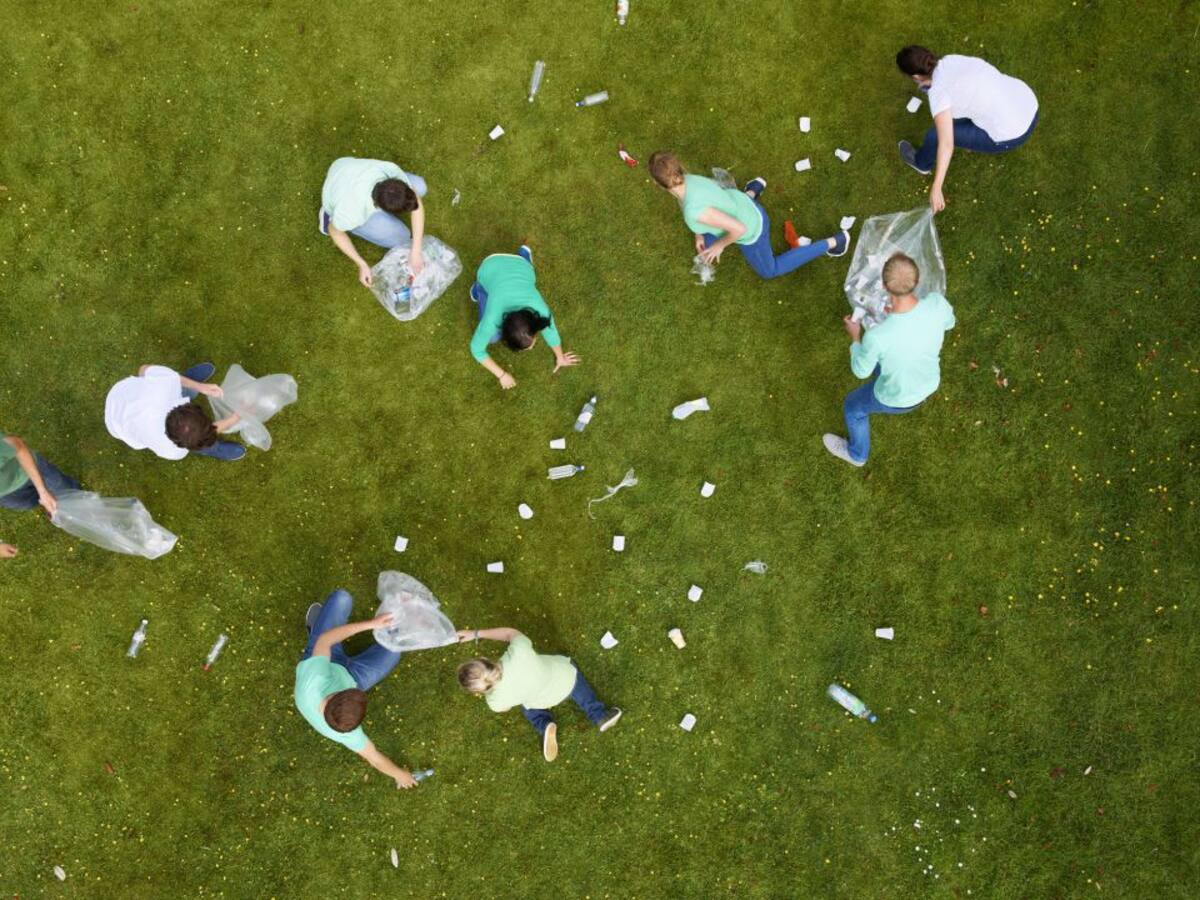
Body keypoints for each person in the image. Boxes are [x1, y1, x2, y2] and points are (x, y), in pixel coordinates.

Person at [823, 253, 955, 466]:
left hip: (896, 397)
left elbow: (860, 371)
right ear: (917, 280)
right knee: (884, 362)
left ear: (884, 286)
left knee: (853, 407)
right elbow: (949, 323)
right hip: (929, 381)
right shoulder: (937, 303)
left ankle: (857, 455)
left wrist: (855, 338)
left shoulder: (876, 337)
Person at [648, 151, 849, 279]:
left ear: (658, 185)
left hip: (754, 229)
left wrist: (719, 246)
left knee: (770, 271)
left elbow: (739, 229)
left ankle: (835, 242)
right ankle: (754, 190)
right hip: (743, 203)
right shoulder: (687, 179)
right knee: (706, 243)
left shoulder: (692, 210)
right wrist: (699, 235)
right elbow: (707, 202)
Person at [294, 588, 419, 789]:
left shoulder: (315, 680)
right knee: (394, 652)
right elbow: (374, 757)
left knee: (341, 599)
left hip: (326, 659)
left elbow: (326, 639)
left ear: (334, 695)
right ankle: (319, 626)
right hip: (351, 676)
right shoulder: (346, 731)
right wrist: (399, 775)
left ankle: (316, 629)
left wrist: (371, 624)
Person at [895, 46, 1039, 212]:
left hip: (1012, 134)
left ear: (915, 76)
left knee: (935, 135)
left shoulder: (938, 94)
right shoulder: (952, 59)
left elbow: (946, 143)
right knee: (964, 111)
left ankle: (921, 164)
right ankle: (972, 137)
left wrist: (937, 186)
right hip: (1027, 103)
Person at [455, 627, 621, 762]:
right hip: (564, 678)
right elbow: (510, 633)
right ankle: (599, 715)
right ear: (484, 658)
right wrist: (476, 633)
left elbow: (505, 708)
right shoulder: (518, 652)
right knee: (575, 681)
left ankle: (545, 725)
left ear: (479, 690)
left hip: (541, 700)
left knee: (528, 707)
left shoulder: (494, 700)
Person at [468, 245, 580, 390]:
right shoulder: (492, 319)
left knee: (511, 280)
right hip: (494, 267)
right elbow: (476, 349)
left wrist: (560, 357)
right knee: (492, 338)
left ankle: (523, 256)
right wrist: (502, 375)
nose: (531, 348)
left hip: (507, 266)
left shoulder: (541, 311)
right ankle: (479, 289)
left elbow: (551, 332)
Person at [319, 157, 428, 288]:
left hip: (343, 167)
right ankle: (328, 213)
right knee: (402, 237)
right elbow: (334, 231)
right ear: (381, 208)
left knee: (420, 186)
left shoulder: (389, 170)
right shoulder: (352, 213)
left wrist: (416, 250)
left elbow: (415, 201)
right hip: (337, 195)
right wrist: (362, 264)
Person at [104, 363, 244, 461]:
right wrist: (234, 418)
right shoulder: (170, 449)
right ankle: (213, 448)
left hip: (121, 396)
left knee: (174, 381)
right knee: (201, 443)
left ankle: (187, 384)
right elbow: (200, 437)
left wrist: (200, 387)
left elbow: (143, 370)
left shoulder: (164, 384)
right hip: (119, 423)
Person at [1, 430, 82, 555]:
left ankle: (70, 502)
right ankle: (49, 505)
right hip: (5, 493)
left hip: (24, 469)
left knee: (65, 490)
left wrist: (43, 491)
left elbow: (18, 446)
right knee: (27, 503)